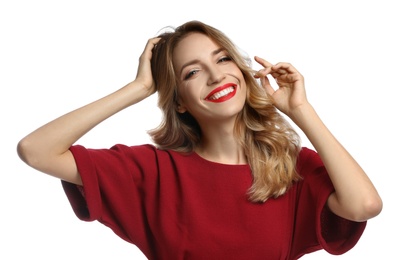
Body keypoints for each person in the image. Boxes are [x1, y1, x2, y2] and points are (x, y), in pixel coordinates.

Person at [17, 20, 382, 259]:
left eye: (223, 59)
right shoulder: (152, 170)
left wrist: (300, 110)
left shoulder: (291, 167)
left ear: (241, 70)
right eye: (192, 72)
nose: (215, 75)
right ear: (178, 100)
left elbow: (364, 205)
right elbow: (36, 150)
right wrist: (139, 88)